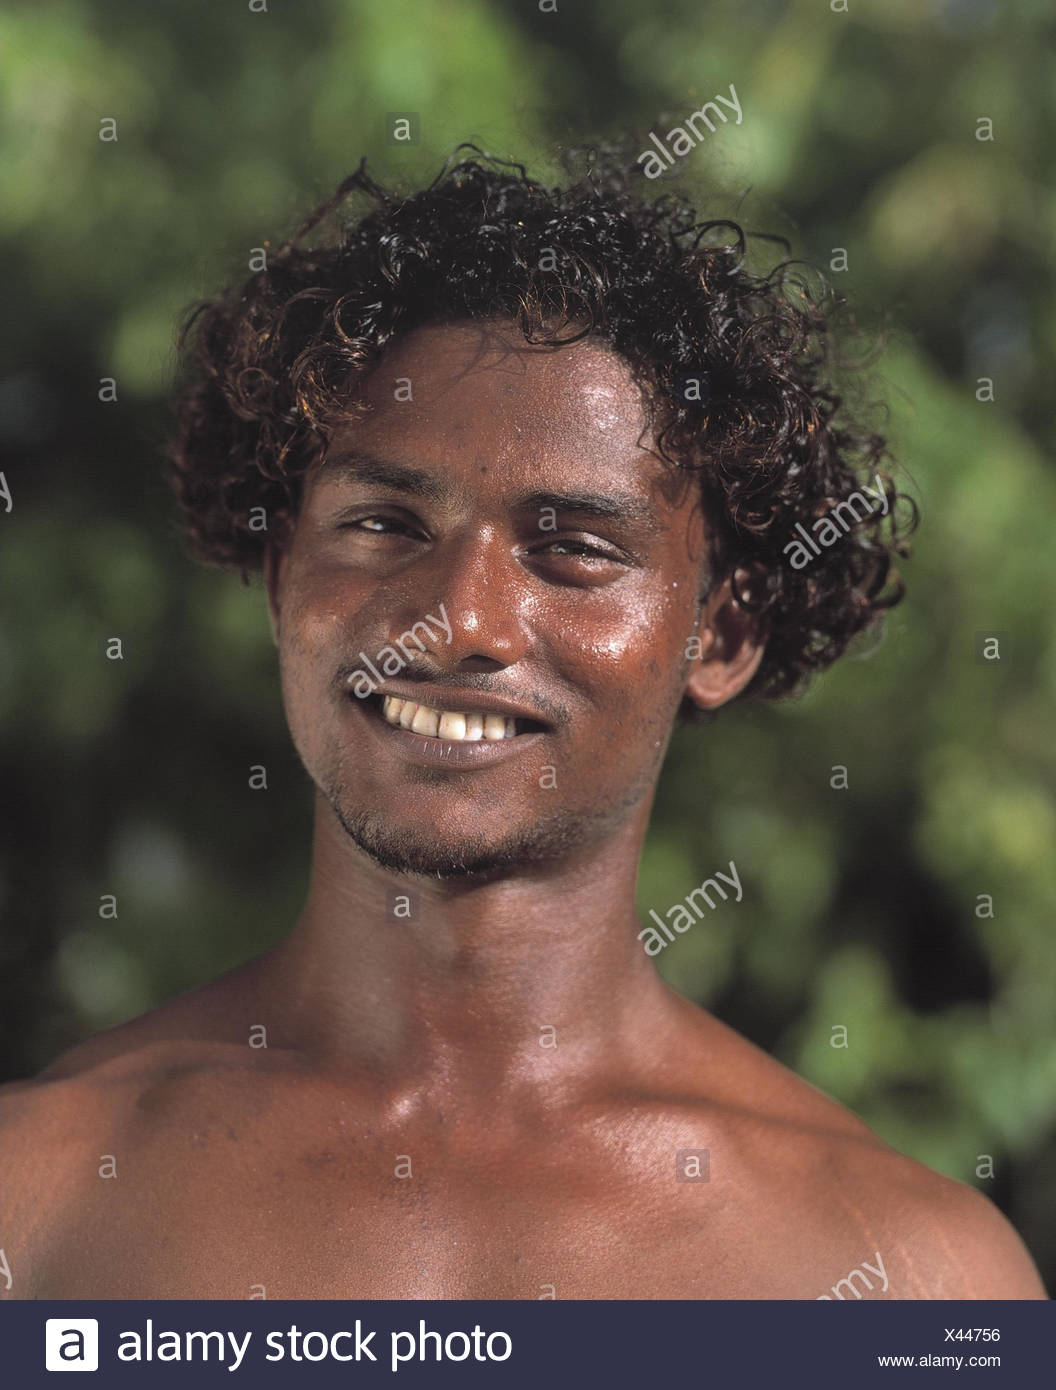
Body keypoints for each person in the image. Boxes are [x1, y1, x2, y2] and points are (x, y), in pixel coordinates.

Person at [0, 150, 1045, 1299]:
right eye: (387, 523)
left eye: (573, 549)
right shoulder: (39, 1199)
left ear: (723, 635)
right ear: (279, 573)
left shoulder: (910, 1276)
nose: (458, 620)